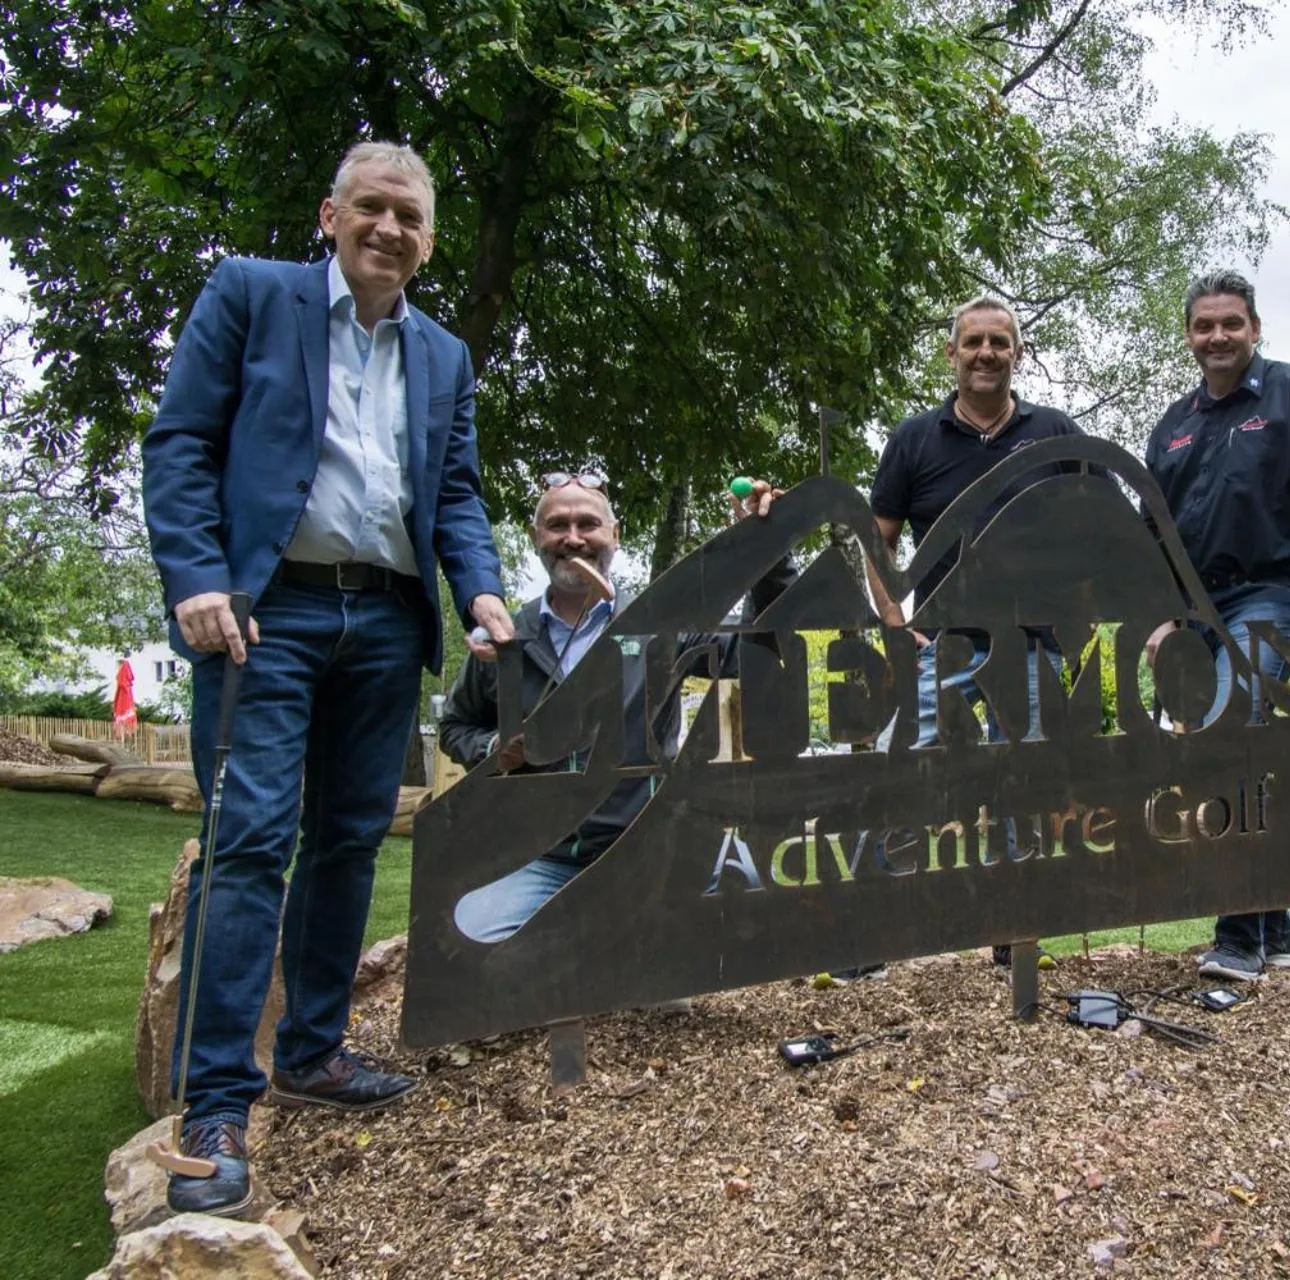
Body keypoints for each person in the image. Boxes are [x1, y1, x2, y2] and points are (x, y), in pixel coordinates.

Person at [142, 141, 515, 1217]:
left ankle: (313, 1050)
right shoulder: (249, 295)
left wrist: (480, 592)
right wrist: (199, 575)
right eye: (371, 208)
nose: (389, 229)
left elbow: (453, 492)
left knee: (350, 838)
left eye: (409, 216)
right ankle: (215, 1103)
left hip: (387, 618)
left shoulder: (443, 354)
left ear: (428, 240)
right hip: (269, 611)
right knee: (251, 836)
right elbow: (178, 445)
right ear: (330, 214)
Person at [1143, 270, 1290, 983]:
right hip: (1194, 613)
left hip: (1267, 598)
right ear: (1189, 335)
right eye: (1204, 325)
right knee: (1220, 756)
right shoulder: (1175, 426)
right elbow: (1153, 532)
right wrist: (1159, 614)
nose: (1218, 337)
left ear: (1255, 328)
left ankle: (1236, 942)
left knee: (1229, 742)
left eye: (1232, 323)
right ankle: (1275, 929)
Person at [439, 473, 793, 950]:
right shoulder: (503, 637)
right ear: (535, 537)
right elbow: (455, 726)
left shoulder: (659, 624)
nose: (573, 538)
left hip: (654, 842)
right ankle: (612, 942)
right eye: (557, 525)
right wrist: (491, 749)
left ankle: (621, 941)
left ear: (615, 535)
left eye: (588, 524)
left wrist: (768, 548)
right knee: (474, 941)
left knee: (748, 893)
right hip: (541, 856)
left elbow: (759, 649)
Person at [864, 296, 1082, 972]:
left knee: (1021, 785)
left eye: (1000, 342)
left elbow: (1097, 528)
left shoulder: (1055, 433)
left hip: (1032, 643)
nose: (986, 353)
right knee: (907, 773)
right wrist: (895, 623)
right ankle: (868, 933)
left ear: (1018, 352)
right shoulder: (914, 440)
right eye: (973, 342)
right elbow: (878, 543)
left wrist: (1080, 626)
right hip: (944, 640)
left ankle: (1010, 928)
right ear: (952, 353)